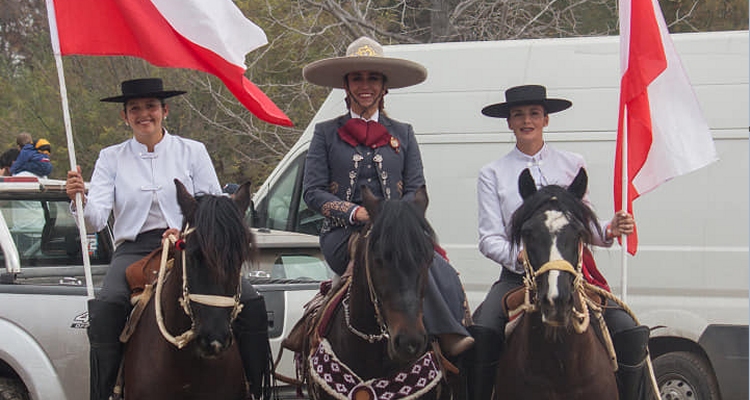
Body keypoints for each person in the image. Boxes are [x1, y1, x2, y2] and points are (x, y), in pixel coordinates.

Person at [65, 78, 271, 400]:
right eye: (135, 109)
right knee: (106, 309)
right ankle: (105, 392)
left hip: (191, 246)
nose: (143, 114)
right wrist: (79, 200)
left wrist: (185, 231)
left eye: (150, 107)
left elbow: (213, 207)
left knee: (253, 303)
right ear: (125, 116)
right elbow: (94, 221)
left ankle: (256, 390)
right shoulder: (110, 158)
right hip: (133, 250)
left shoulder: (192, 151)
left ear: (165, 110)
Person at [470, 84, 649, 400]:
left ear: (546, 120)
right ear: (509, 122)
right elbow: (488, 239)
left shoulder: (572, 164)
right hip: (517, 279)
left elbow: (586, 224)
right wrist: (521, 256)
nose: (527, 121)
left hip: (572, 276)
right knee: (483, 332)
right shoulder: (492, 173)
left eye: (534, 114)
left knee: (630, 332)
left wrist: (609, 229)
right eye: (519, 115)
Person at [301, 36, 474, 358]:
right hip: (345, 233)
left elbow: (416, 189)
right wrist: (357, 214)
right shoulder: (325, 132)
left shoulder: (403, 132)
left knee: (433, 265)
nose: (365, 85)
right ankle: (312, 334)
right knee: (371, 255)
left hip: (399, 230)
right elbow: (312, 192)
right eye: (357, 78)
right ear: (346, 85)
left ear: (384, 86)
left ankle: (448, 331)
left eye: (373, 78)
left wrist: (396, 221)